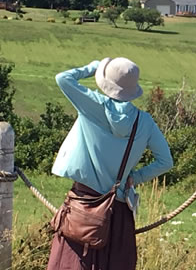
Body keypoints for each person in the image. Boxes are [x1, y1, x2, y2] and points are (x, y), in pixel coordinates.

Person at [47, 57, 173, 270]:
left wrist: (93, 67)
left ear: (105, 83)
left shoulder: (93, 105)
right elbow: (165, 161)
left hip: (83, 206)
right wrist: (136, 177)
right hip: (119, 211)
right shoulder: (145, 122)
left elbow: (63, 78)